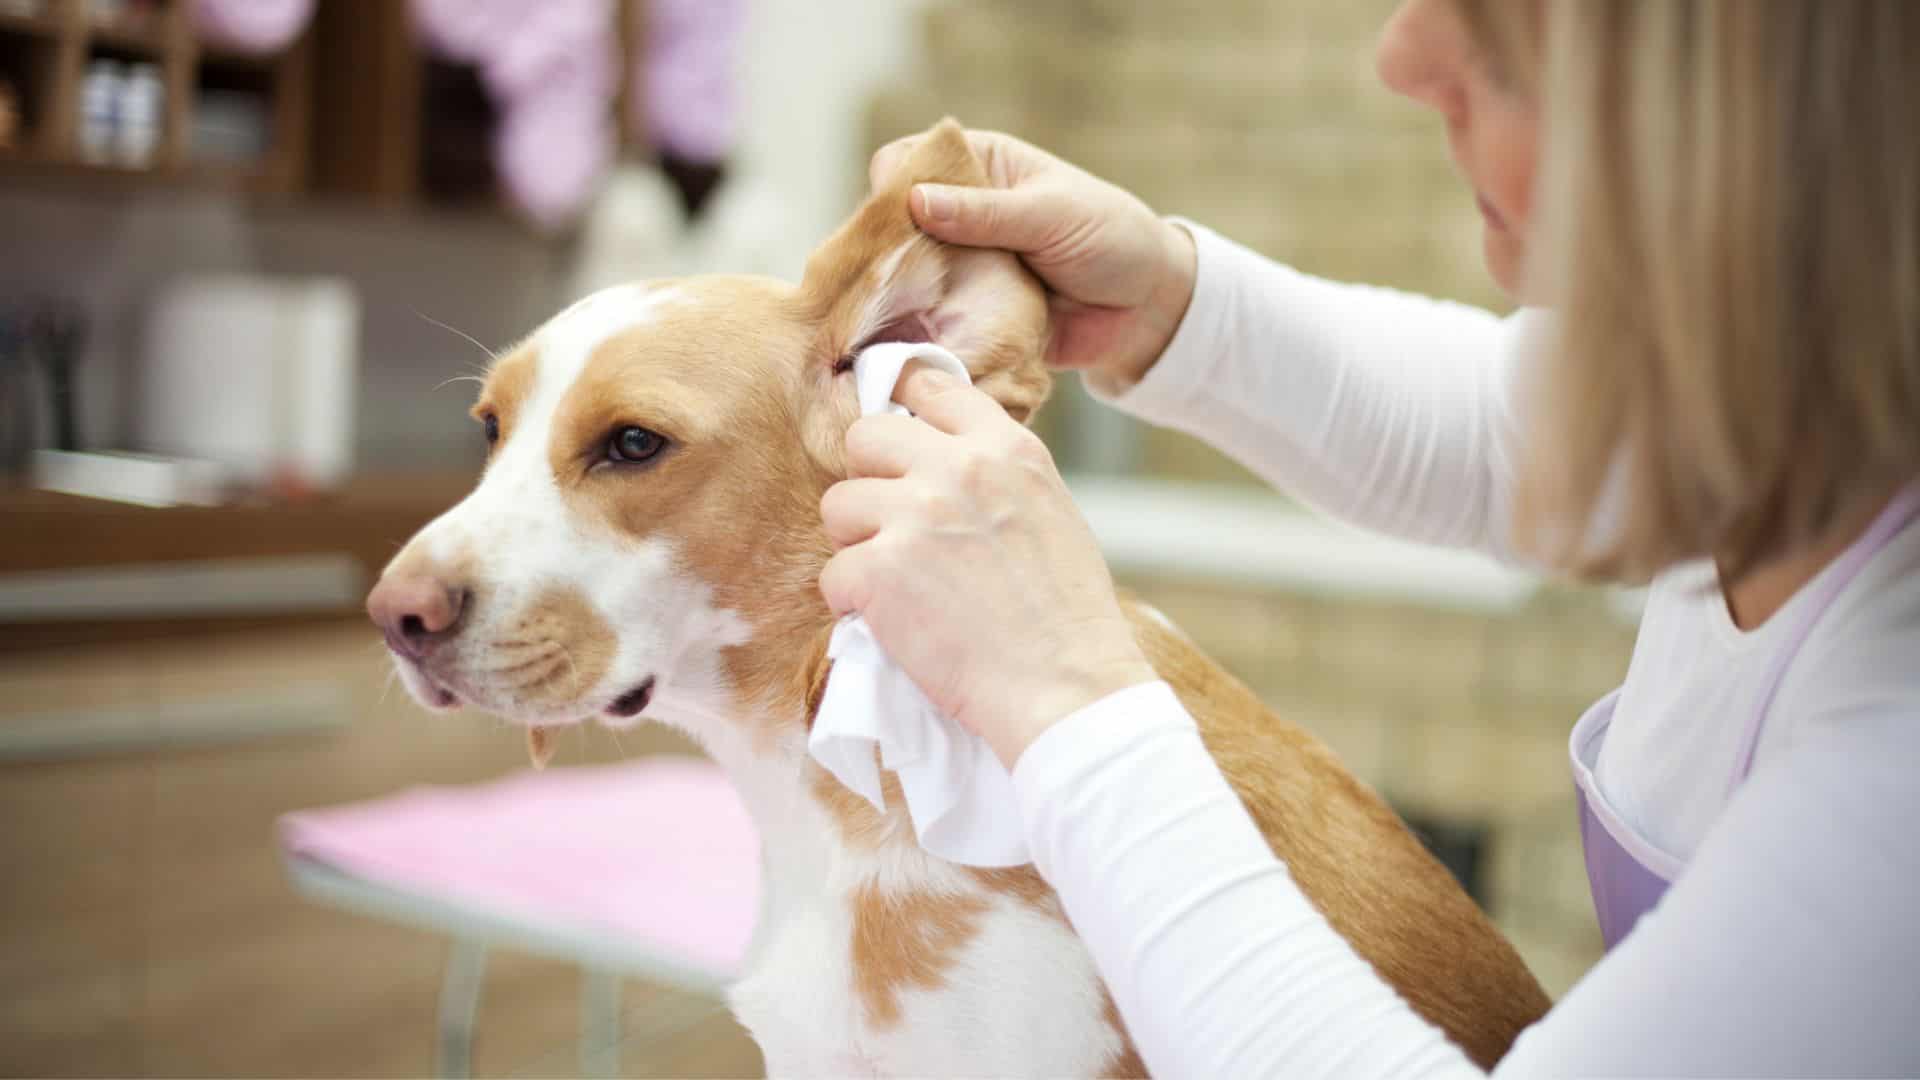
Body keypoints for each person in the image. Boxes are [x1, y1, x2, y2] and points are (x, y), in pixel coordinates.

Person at [817, 0, 1920, 1075]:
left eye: (1502, 37)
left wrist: (1062, 693)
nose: (1402, 56)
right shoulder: (1794, 405)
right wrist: (1162, 297)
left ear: (1767, 125)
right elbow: (1499, 432)